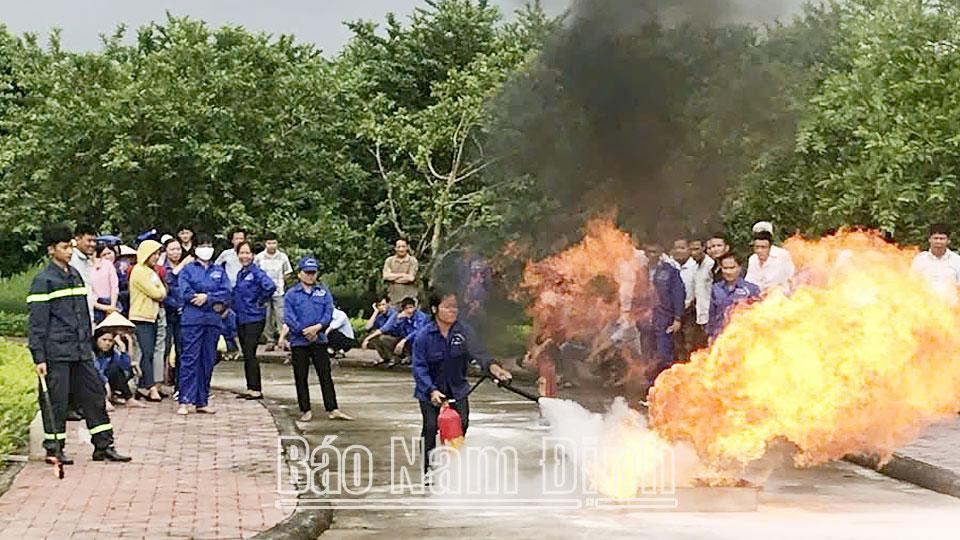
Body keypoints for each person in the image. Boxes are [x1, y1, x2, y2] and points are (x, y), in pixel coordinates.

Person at [28, 223, 131, 464]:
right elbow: (37, 324)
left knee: (95, 395)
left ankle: (103, 445)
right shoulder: (44, 280)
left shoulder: (74, 275)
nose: (69, 251)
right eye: (64, 247)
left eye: (70, 247)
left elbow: (83, 313)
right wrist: (39, 357)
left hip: (81, 349)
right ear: (51, 250)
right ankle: (54, 448)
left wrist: (90, 343)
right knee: (57, 401)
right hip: (57, 351)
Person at [412, 289, 512, 474]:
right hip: (430, 391)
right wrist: (432, 390)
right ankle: (429, 470)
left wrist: (495, 369)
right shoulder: (424, 336)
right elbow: (419, 367)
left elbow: (479, 353)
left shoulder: (464, 332)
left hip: (457, 388)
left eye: (455, 307)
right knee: (431, 427)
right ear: (435, 309)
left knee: (462, 424)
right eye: (447, 307)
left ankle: (453, 465)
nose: (453, 311)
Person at [284, 256, 353, 422]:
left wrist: (318, 328)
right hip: (299, 341)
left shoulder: (323, 292)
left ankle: (332, 408)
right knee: (301, 376)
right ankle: (305, 409)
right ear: (299, 274)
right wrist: (303, 331)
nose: (310, 276)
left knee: (325, 375)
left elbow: (328, 313)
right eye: (307, 272)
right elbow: (288, 317)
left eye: (313, 273)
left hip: (319, 339)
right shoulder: (292, 294)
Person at [178, 233, 232, 415]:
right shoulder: (188, 269)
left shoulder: (219, 270)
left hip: (212, 321)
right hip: (192, 320)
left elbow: (226, 292)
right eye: (202, 245)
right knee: (189, 359)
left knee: (207, 360)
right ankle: (185, 400)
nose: (206, 248)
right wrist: (201, 298)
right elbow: (185, 292)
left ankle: (202, 400)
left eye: (209, 245)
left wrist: (208, 297)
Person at [233, 241, 276, 399]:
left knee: (250, 352)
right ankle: (250, 387)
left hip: (254, 317)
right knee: (246, 353)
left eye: (247, 253)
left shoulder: (257, 272)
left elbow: (270, 286)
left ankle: (256, 389)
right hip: (242, 317)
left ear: (252, 255)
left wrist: (260, 301)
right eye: (241, 253)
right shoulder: (241, 273)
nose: (244, 256)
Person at [129, 239, 167, 402]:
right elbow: (157, 293)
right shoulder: (139, 271)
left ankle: (146, 385)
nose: (157, 257)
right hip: (140, 316)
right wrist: (159, 291)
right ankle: (149, 387)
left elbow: (163, 290)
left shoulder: (151, 271)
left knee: (151, 353)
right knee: (145, 352)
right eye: (154, 254)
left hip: (153, 316)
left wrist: (160, 291)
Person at [643, 243, 685, 383]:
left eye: (655, 251)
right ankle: (650, 387)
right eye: (649, 251)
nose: (652, 254)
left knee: (664, 354)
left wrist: (677, 318)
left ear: (661, 252)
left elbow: (678, 295)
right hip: (645, 320)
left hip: (664, 318)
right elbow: (635, 295)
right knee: (648, 355)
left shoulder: (670, 271)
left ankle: (664, 386)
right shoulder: (641, 271)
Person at [707, 253, 761, 340]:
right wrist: (710, 335)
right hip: (720, 337)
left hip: (743, 337)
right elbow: (712, 315)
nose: (728, 272)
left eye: (732, 268)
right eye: (725, 268)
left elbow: (758, 316)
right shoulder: (715, 289)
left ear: (739, 267)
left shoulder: (751, 289)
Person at [361, 297, 428, 367]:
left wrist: (404, 340)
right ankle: (392, 358)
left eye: (411, 308)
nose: (409, 311)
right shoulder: (397, 315)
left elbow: (418, 331)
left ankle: (415, 359)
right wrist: (398, 320)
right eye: (407, 308)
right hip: (401, 339)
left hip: (415, 339)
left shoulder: (420, 317)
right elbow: (384, 328)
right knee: (377, 335)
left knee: (418, 339)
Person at [254, 232, 293, 351]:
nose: (272, 245)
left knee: (281, 316)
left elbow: (287, 273)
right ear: (265, 244)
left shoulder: (283, 257)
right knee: (266, 317)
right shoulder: (259, 257)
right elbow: (255, 272)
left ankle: (283, 339)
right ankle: (270, 340)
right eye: (269, 243)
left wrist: (281, 282)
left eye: (274, 243)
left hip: (279, 290)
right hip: (264, 292)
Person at [162, 238, 190, 391]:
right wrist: (175, 305)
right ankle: (158, 383)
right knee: (164, 348)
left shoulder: (188, 267)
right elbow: (163, 291)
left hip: (184, 314)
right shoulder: (162, 268)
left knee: (182, 349)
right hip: (167, 313)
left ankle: (180, 385)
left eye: (178, 249)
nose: (176, 252)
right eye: (172, 249)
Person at [910, 223, 960, 304]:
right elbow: (911, 285)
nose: (938, 241)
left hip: (951, 310)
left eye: (942, 238)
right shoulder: (919, 260)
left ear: (948, 240)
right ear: (929, 239)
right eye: (935, 238)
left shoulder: (957, 261)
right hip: (924, 309)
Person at [685, 239, 714, 353]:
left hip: (711, 314)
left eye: (696, 249)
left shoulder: (711, 265)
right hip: (699, 314)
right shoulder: (694, 266)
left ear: (704, 248)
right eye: (691, 249)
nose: (693, 253)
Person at [69, 223, 98, 324]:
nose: (93, 244)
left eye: (94, 241)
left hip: (88, 313)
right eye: (89, 240)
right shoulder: (71, 259)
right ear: (78, 239)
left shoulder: (88, 261)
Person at [383, 239, 419, 305]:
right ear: (395, 248)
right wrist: (402, 275)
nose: (401, 249)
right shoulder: (389, 261)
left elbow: (410, 278)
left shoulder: (413, 261)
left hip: (409, 298)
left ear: (407, 247)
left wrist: (393, 278)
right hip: (392, 299)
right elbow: (386, 276)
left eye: (403, 246)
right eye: (399, 247)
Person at [90, 243, 120, 324]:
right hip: (95, 306)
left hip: (111, 303)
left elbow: (114, 286)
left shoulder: (107, 264)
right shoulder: (85, 267)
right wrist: (104, 308)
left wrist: (112, 307)